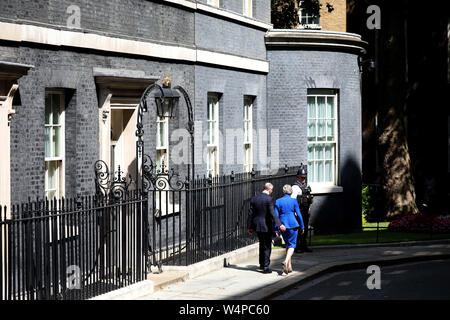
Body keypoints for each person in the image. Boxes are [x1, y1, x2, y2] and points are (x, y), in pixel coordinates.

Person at [248, 183, 286, 274]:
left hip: (257, 225)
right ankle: (265, 267)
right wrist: (279, 224)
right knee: (267, 246)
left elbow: (250, 214)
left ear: (263, 188)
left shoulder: (254, 199)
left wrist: (250, 227)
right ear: (270, 190)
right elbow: (272, 213)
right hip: (266, 225)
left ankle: (261, 264)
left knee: (262, 244)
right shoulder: (269, 199)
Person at [275, 185, 304, 274]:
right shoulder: (293, 201)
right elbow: (298, 215)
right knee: (292, 246)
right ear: (291, 192)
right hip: (293, 225)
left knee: (288, 244)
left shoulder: (278, 201)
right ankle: (285, 261)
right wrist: (302, 226)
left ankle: (289, 267)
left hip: (283, 225)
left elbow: (276, 216)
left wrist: (276, 229)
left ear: (283, 191)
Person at [292, 164, 314, 253]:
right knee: (298, 228)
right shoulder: (295, 187)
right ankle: (297, 246)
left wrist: (309, 209)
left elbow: (310, 198)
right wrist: (294, 212)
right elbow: (293, 201)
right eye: (302, 177)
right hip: (298, 211)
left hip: (305, 210)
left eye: (304, 177)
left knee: (304, 228)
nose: (303, 179)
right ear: (298, 177)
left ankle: (304, 245)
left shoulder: (306, 186)